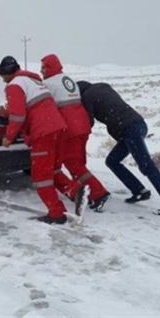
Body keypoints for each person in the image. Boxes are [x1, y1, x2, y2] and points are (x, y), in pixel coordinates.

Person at [77, 81, 160, 216]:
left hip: (128, 129)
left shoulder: (87, 96)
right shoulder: (103, 86)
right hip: (138, 124)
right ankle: (139, 191)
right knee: (112, 161)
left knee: (146, 166)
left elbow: (88, 121)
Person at [0, 56, 69, 224]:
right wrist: (6, 112)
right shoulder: (31, 80)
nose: (2, 80)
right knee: (53, 171)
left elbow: (19, 116)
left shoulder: (14, 85)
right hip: (58, 127)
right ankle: (77, 193)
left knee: (41, 177)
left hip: (42, 132)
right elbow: (31, 106)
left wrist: (8, 137)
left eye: (2, 76)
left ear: (7, 73)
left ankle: (56, 214)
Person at [40, 54, 110, 212]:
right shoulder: (68, 79)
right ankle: (86, 191)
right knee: (78, 162)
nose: (41, 70)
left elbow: (44, 106)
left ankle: (98, 194)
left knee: (73, 163)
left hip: (69, 128)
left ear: (50, 67)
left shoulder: (48, 84)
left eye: (44, 67)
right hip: (82, 125)